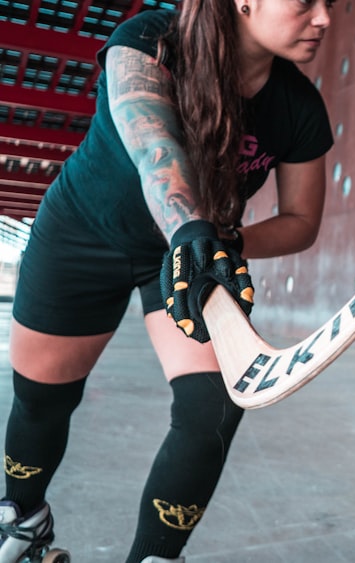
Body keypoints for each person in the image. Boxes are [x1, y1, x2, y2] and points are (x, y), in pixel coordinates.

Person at [0, 0, 335, 561]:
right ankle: (24, 517)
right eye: (305, 3)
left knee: (214, 409)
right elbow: (156, 148)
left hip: (194, 251)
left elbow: (302, 222)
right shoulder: (150, 41)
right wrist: (193, 231)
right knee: (41, 400)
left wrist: (224, 244)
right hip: (84, 234)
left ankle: (155, 554)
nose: (324, 18)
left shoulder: (299, 108)